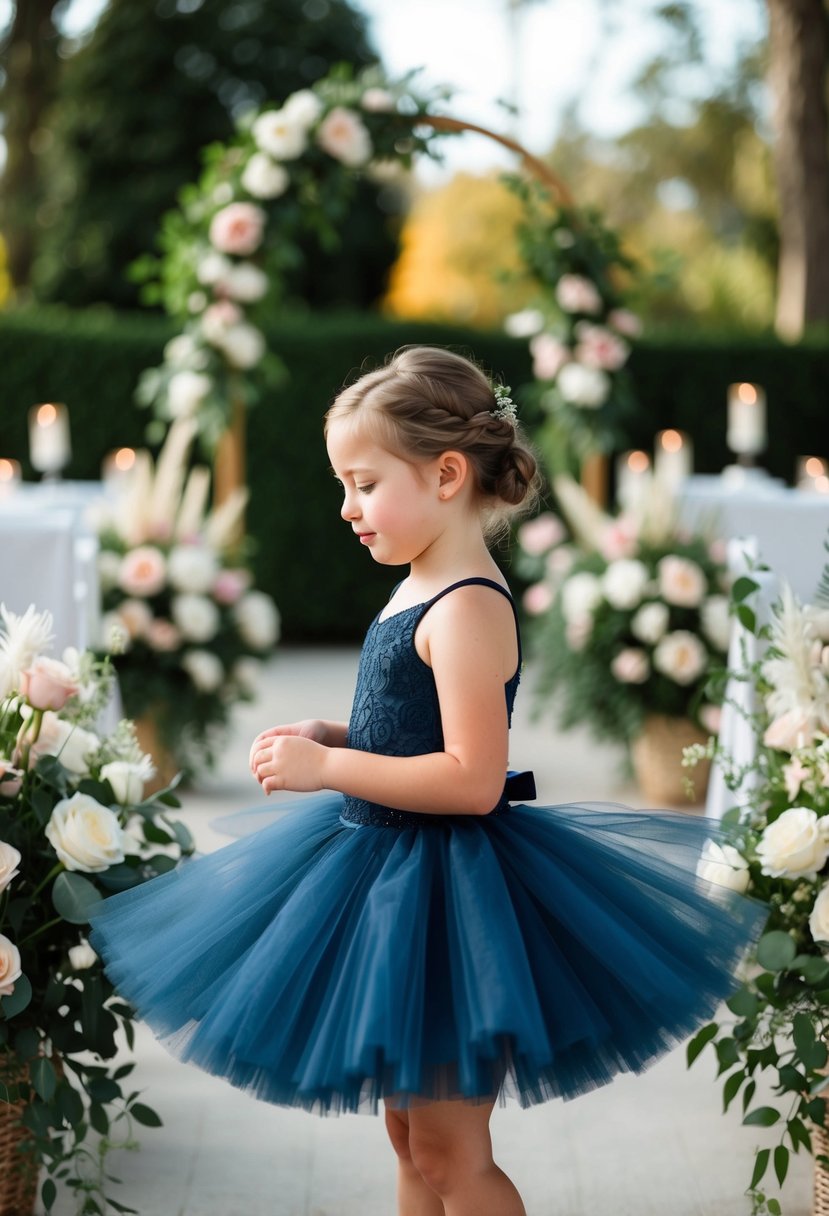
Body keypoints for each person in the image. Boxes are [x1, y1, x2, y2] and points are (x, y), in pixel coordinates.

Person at [90, 346, 767, 1216]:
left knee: (451, 1151)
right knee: (410, 1138)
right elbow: (411, 726)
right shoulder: (421, 584)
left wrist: (330, 768)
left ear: (447, 474)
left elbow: (473, 779)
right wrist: (334, 734)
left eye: (364, 484)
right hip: (387, 878)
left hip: (450, 907)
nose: (346, 508)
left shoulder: (467, 605)